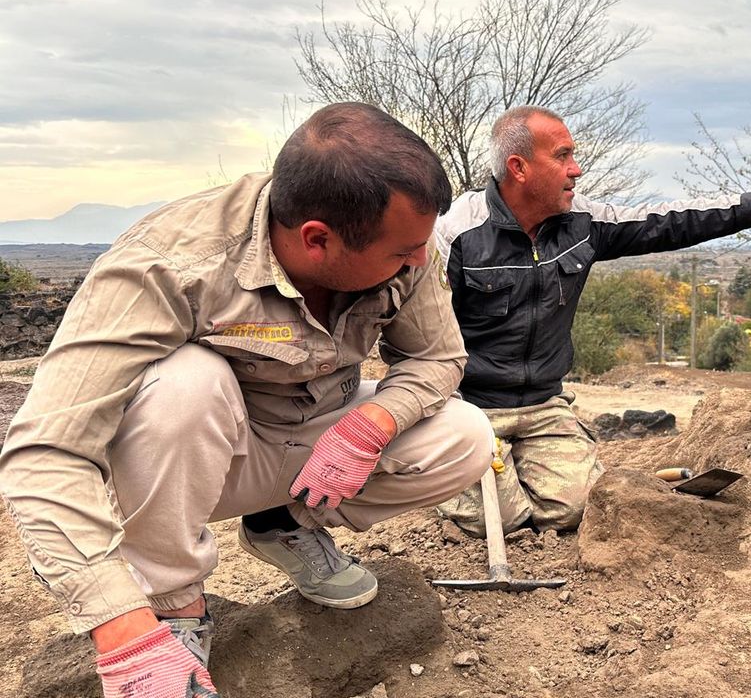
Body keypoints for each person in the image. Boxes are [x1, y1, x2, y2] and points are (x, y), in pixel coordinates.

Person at [0, 102, 494, 697]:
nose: (420, 260)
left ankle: (281, 522)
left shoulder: (399, 240)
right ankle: (172, 605)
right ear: (317, 239)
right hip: (199, 461)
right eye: (402, 252)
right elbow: (45, 452)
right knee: (184, 383)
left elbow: (438, 359)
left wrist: (374, 422)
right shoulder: (170, 263)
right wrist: (120, 629)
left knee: (465, 435)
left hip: (315, 444)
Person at [434, 105, 751, 538]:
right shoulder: (456, 235)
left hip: (543, 407)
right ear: (519, 167)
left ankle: (520, 469)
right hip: (472, 407)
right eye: (562, 156)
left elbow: (670, 221)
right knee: (498, 522)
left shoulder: (583, 222)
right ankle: (463, 475)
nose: (575, 170)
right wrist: (441, 412)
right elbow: (420, 337)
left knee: (573, 510)